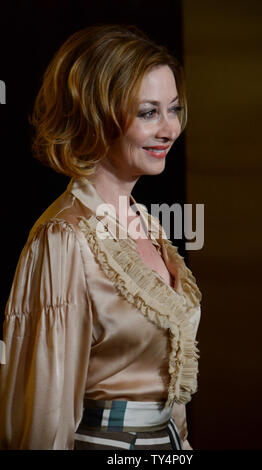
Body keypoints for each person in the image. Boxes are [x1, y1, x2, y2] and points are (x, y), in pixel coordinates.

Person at [0, 24, 202, 450]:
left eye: (174, 109)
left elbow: (170, 385)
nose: (170, 129)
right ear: (96, 115)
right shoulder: (64, 238)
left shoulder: (148, 224)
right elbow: (44, 410)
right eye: (149, 112)